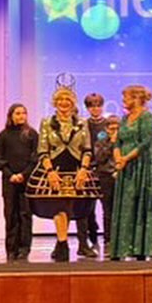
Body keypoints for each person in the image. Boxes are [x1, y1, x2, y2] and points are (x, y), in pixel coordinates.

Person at [27, 86, 96, 262]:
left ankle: (60, 244)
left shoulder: (82, 123)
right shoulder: (46, 122)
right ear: (55, 103)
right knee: (60, 207)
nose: (64, 103)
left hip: (76, 169)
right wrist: (49, 172)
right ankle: (63, 245)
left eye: (67, 100)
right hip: (55, 169)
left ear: (73, 103)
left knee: (71, 207)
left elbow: (87, 149)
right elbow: (43, 150)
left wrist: (83, 170)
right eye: (60, 100)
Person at [110, 85, 152, 260]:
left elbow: (145, 142)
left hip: (140, 165)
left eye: (127, 97)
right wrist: (118, 158)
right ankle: (120, 248)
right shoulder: (124, 118)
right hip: (124, 166)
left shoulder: (146, 117)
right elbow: (117, 141)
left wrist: (126, 158)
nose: (124, 100)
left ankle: (140, 248)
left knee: (138, 202)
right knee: (125, 204)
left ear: (137, 98)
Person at [0, 103, 38, 261]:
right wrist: (10, 174)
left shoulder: (32, 134)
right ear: (11, 116)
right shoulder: (3, 135)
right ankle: (11, 248)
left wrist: (24, 174)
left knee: (25, 214)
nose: (21, 116)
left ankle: (24, 248)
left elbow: (35, 157)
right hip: (9, 180)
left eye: (23, 113)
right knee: (10, 214)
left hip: (27, 180)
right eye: (17, 113)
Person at [78, 92, 106, 257]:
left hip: (103, 169)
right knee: (87, 209)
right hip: (86, 170)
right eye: (91, 106)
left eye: (98, 105)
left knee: (106, 207)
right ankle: (91, 239)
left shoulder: (107, 125)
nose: (95, 109)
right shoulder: (83, 125)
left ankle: (107, 240)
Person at [94, 115, 120, 257]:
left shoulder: (124, 141)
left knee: (121, 210)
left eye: (117, 129)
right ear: (106, 129)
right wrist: (111, 143)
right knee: (108, 210)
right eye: (111, 129)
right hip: (105, 176)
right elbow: (99, 158)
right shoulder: (101, 141)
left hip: (120, 175)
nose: (114, 132)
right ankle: (108, 240)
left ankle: (121, 240)